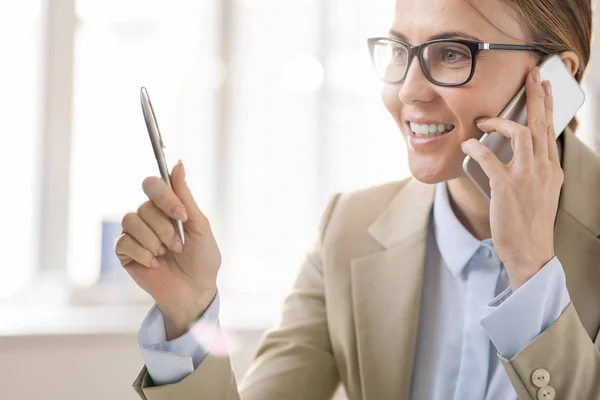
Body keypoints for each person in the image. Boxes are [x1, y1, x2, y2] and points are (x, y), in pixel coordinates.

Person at [116, 0, 600, 398]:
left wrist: (532, 271)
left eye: (452, 53)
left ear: (555, 76)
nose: (408, 90)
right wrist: (189, 314)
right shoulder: (348, 231)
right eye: (399, 51)